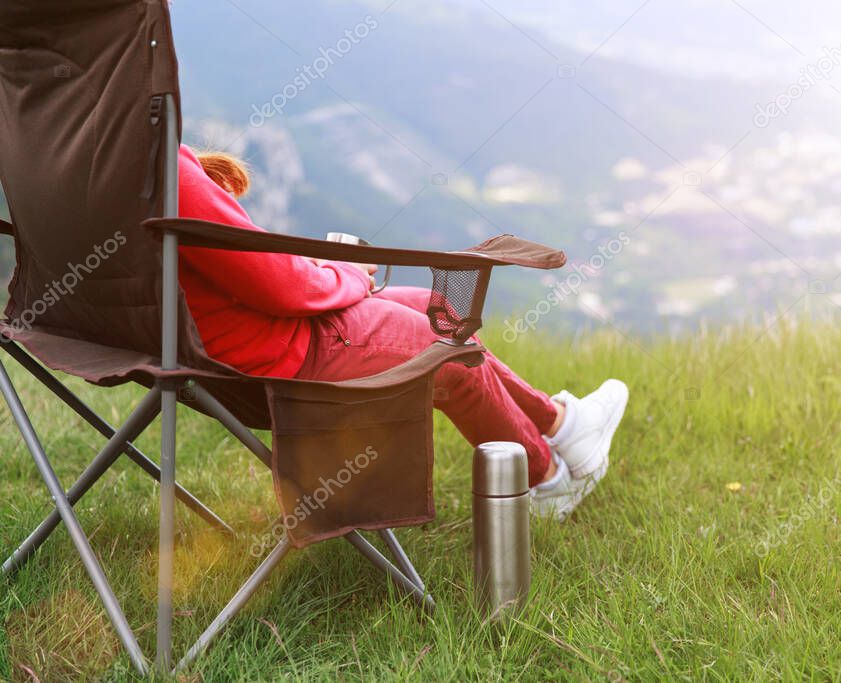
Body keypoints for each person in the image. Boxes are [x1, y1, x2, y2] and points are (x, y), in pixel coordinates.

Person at [177, 146, 628, 520]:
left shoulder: (115, 171)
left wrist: (324, 273)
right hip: (280, 360)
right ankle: (545, 482)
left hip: (224, 357)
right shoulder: (166, 171)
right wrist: (347, 274)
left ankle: (562, 426)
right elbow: (281, 286)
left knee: (439, 313)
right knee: (451, 354)